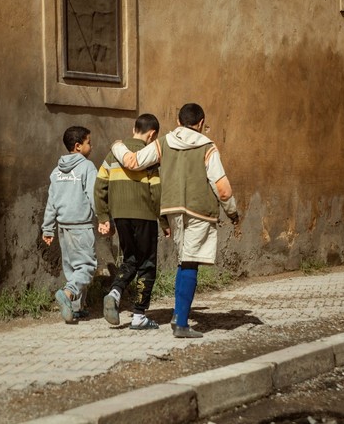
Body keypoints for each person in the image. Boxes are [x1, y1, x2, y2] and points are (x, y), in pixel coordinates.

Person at [110, 103, 239, 338]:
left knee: (184, 260)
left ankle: (179, 316)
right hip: (200, 212)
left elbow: (133, 162)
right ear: (200, 124)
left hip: (173, 210)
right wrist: (233, 213)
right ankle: (180, 322)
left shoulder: (164, 142)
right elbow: (223, 189)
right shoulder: (208, 147)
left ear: (178, 122)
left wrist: (117, 145)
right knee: (191, 262)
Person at [94, 113, 170, 330]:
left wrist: (103, 216)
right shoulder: (149, 156)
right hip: (144, 216)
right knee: (147, 264)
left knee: (130, 259)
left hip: (120, 216)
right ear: (153, 134)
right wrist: (163, 222)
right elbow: (156, 192)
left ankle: (115, 293)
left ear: (133, 128)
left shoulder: (112, 155)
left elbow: (99, 187)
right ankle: (139, 316)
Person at [42, 126, 98, 324]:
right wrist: (104, 218)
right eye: (88, 142)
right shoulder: (87, 167)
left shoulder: (56, 172)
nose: (91, 146)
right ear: (78, 146)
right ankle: (68, 293)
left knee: (72, 269)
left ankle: (75, 309)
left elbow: (51, 202)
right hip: (82, 225)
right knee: (87, 267)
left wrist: (47, 228)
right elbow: (94, 196)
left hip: (62, 226)